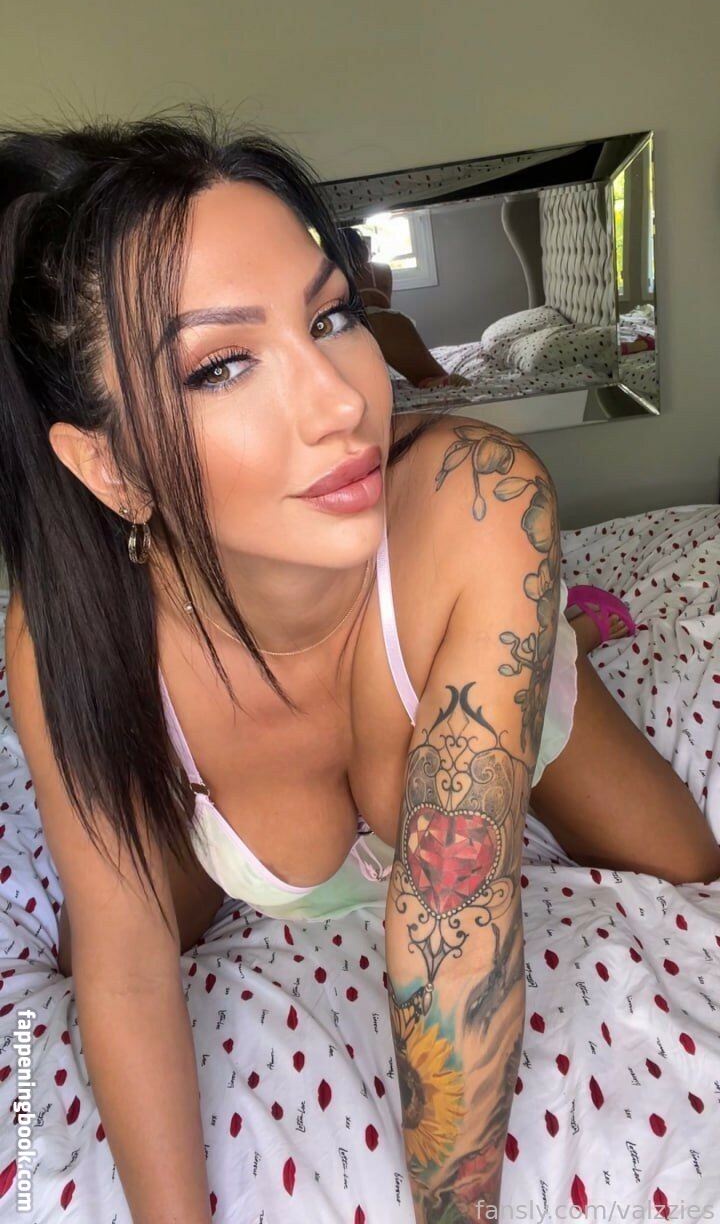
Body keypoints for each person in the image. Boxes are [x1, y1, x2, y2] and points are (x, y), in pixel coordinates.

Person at [0, 110, 717, 1224]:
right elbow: (128, 963)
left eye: (331, 316)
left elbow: (454, 922)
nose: (346, 399)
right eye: (222, 364)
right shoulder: (69, 646)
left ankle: (545, 638)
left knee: (687, 861)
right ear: (106, 467)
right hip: (206, 710)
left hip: (455, 631)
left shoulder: (483, 496)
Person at [341, 225, 471, 390]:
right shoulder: (382, 269)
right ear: (362, 247)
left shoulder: (337, 273)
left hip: (355, 326)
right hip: (387, 321)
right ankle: (435, 380)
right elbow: (384, 303)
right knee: (431, 374)